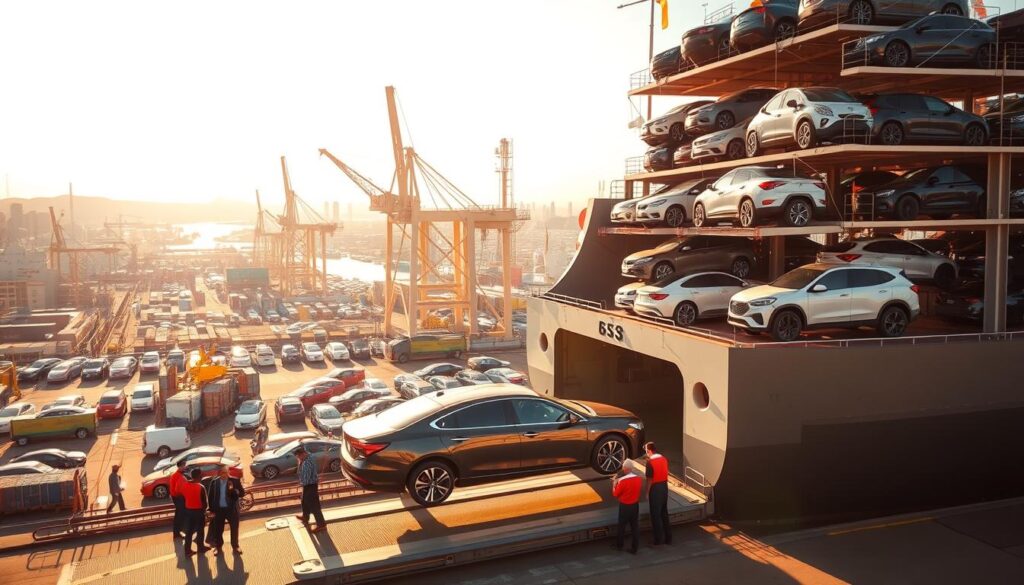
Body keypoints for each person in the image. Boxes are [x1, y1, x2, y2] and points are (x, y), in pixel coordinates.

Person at [207, 464, 245, 555]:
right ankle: (218, 546)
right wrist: (210, 510)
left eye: (226, 472)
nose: (225, 474)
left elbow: (242, 493)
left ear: (228, 472)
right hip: (218, 510)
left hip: (231, 510)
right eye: (222, 472)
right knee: (218, 529)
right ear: (219, 473)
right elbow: (210, 497)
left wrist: (233, 490)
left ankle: (235, 546)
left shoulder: (234, 481)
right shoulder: (214, 482)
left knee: (234, 528)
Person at [611, 459, 642, 554]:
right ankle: (634, 548)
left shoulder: (622, 481)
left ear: (625, 468)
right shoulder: (638, 479)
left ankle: (619, 545)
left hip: (625, 506)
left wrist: (614, 484)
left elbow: (615, 494)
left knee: (621, 526)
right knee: (634, 527)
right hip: (635, 505)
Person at [644, 441, 671, 546]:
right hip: (664, 487)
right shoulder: (664, 459)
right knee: (664, 513)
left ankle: (658, 540)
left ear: (649, 451)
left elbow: (649, 480)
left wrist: (647, 492)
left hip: (655, 489)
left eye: (646, 451)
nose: (646, 453)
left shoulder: (650, 462)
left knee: (655, 515)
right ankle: (668, 538)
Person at [295, 447, 326, 532]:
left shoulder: (306, 463)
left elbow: (307, 478)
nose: (298, 459)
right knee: (304, 501)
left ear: (302, 454)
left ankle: (321, 525)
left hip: (310, 485)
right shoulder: (308, 456)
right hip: (309, 485)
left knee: (314, 505)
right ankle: (305, 517)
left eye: (298, 457)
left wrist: (301, 484)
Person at [181, 468, 210, 555]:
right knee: (200, 530)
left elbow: (182, 498)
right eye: (201, 475)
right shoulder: (200, 487)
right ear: (199, 476)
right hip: (199, 512)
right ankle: (201, 548)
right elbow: (204, 503)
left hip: (188, 511)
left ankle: (187, 550)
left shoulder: (185, 485)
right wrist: (205, 511)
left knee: (189, 532)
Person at [169, 459, 187, 539]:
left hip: (176, 497)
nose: (185, 467)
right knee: (180, 516)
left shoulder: (175, 475)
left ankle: (177, 533)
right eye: (184, 465)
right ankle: (177, 533)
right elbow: (178, 490)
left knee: (178, 515)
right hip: (178, 498)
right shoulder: (179, 476)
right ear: (180, 466)